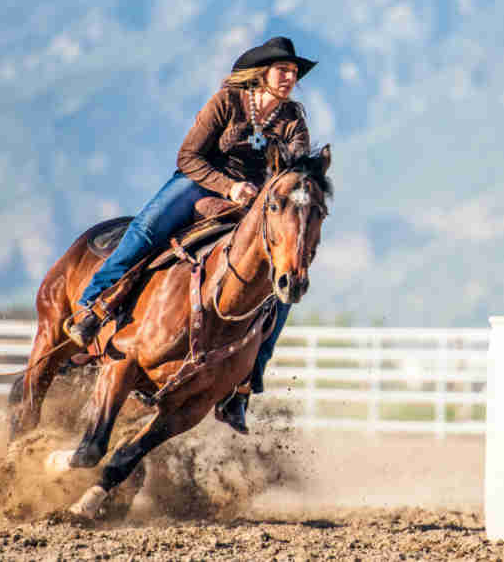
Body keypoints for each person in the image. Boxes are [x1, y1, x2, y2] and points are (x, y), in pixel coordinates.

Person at [66, 36, 317, 434]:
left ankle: (245, 384)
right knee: (146, 230)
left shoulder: (292, 121)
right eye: (282, 70)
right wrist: (228, 186)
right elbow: (188, 157)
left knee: (279, 283)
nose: (289, 78)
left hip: (251, 204)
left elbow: (295, 170)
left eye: (293, 73)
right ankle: (92, 308)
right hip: (199, 183)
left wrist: (282, 191)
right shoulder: (226, 103)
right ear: (262, 73)